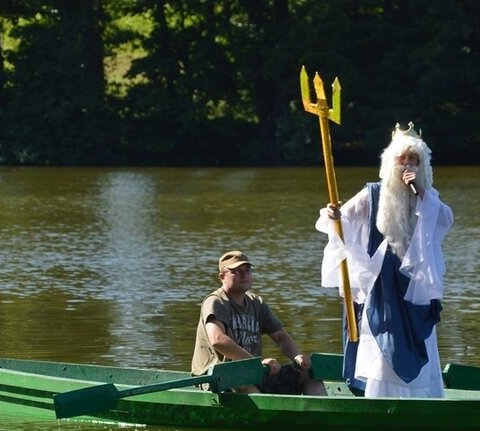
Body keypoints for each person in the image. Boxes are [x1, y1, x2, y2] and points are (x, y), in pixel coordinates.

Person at [315, 122, 454, 398]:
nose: (407, 165)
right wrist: (333, 214)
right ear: (391, 163)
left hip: (415, 283)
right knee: (386, 337)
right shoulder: (373, 193)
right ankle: (382, 397)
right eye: (402, 160)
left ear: (421, 165)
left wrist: (421, 192)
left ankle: (421, 397)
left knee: (419, 337)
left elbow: (445, 219)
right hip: (384, 282)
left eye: (413, 160)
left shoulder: (427, 197)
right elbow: (341, 217)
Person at [192, 250, 327, 395]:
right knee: (240, 379)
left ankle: (321, 415)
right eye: (236, 271)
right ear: (222, 276)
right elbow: (217, 340)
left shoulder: (256, 303)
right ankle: (266, 415)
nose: (244, 275)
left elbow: (280, 336)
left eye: (247, 270)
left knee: (309, 374)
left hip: (253, 373)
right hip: (217, 377)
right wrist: (256, 363)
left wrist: (296, 357)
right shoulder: (216, 301)